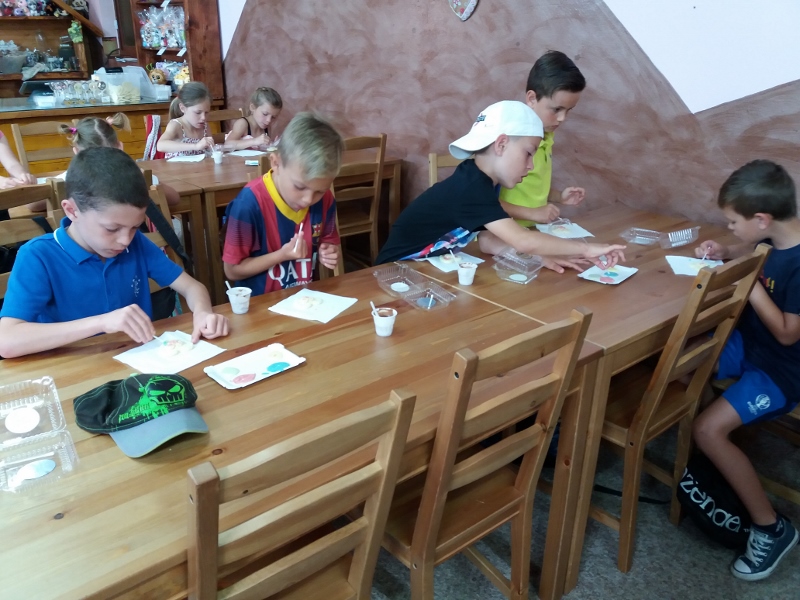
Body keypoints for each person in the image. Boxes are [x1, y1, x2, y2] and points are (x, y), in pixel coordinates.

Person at [0, 147, 229, 358]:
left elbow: (192, 287)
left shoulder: (135, 244)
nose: (125, 240)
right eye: (112, 229)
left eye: (135, 227)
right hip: (71, 370)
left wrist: (202, 313)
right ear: (72, 211)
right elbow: (7, 341)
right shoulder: (38, 256)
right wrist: (102, 322)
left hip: (136, 362)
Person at [692, 159, 800, 581]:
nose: (729, 227)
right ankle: (706, 462)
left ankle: (770, 528)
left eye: (733, 222)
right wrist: (727, 253)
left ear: (762, 218)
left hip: (783, 369)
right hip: (750, 345)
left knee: (707, 430)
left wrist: (749, 285)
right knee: (683, 363)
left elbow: (788, 334)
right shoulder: (773, 239)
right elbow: (758, 252)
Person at [376, 100, 625, 269]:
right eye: (528, 153)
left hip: (426, 270)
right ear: (501, 144)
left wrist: (540, 257)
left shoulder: (483, 182)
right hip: (393, 271)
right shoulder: (470, 189)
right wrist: (587, 249)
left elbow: (488, 242)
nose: (531, 166)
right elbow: (523, 240)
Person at [222, 112, 343, 295]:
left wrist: (328, 250)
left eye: (319, 191)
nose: (308, 200)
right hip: (259, 304)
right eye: (299, 187)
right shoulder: (247, 205)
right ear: (276, 163)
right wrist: (282, 255)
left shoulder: (326, 200)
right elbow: (232, 270)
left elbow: (328, 240)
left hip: (305, 300)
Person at [26, 114, 180, 211]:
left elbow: (32, 205)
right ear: (120, 147)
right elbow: (174, 198)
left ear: (76, 152)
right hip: (137, 243)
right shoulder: (138, 176)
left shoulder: (68, 180)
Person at [156, 82, 214, 159]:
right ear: (183, 108)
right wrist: (195, 146)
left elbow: (210, 151)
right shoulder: (176, 125)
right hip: (177, 166)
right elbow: (160, 145)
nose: (203, 117)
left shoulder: (205, 127)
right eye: (198, 112)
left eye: (206, 112)